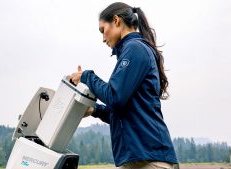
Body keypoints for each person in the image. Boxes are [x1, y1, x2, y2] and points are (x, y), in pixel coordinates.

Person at [70, 2, 178, 169]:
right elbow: (124, 110)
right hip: (139, 158)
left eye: (102, 30)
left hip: (149, 159)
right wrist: (95, 110)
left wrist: (86, 76)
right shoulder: (132, 50)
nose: (103, 38)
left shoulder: (134, 49)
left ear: (116, 20)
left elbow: (115, 97)